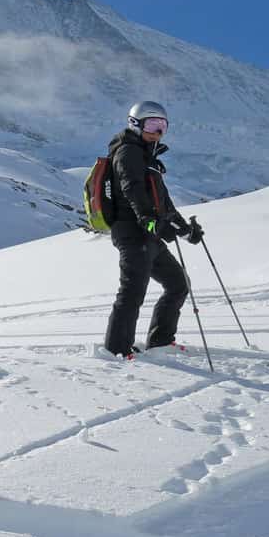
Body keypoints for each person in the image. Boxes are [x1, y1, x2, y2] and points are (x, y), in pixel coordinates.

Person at [102, 101, 204, 359]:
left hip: (150, 233)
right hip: (132, 231)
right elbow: (131, 188)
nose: (158, 132)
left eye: (162, 126)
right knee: (133, 291)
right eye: (152, 124)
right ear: (134, 124)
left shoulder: (150, 159)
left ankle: (160, 341)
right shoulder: (128, 152)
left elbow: (164, 202)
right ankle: (117, 350)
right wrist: (149, 221)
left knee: (178, 284)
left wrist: (184, 229)